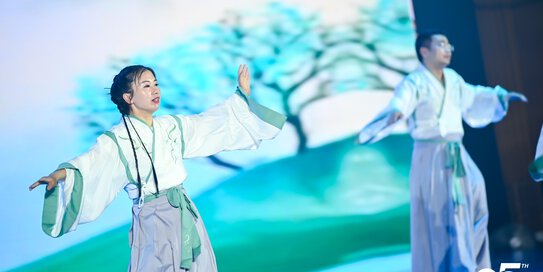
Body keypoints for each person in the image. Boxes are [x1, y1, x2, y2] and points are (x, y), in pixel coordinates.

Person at [29, 64, 286, 272]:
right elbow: (90, 164)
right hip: (152, 217)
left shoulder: (170, 126)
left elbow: (209, 124)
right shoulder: (116, 140)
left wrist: (240, 98)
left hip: (184, 210)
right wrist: (60, 175)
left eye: (156, 84)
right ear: (128, 97)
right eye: (146, 85)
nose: (155, 90)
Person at [357, 30, 527, 271]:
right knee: (443, 213)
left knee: (476, 197)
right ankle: (455, 266)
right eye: (441, 44)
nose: (448, 49)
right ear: (424, 51)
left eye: (449, 45)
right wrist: (393, 114)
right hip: (432, 156)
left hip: (457, 151)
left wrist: (501, 97)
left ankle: (478, 264)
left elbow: (475, 96)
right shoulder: (414, 82)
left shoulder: (453, 79)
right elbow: (400, 102)